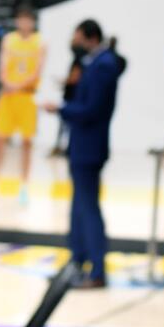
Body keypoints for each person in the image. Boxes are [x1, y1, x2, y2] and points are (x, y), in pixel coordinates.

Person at [43, 20, 125, 289]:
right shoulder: (94, 63)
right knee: (78, 207)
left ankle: (97, 270)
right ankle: (77, 262)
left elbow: (91, 109)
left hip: (90, 146)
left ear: (90, 38)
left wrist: (61, 109)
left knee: (88, 208)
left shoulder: (104, 65)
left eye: (77, 38)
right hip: (81, 144)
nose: (74, 43)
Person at [0, 7, 45, 205]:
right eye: (21, 19)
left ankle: (24, 186)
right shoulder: (9, 40)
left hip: (26, 96)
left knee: (27, 143)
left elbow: (37, 71)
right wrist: (8, 83)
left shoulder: (40, 42)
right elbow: (3, 66)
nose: (24, 24)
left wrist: (19, 85)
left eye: (28, 20)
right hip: (8, 96)